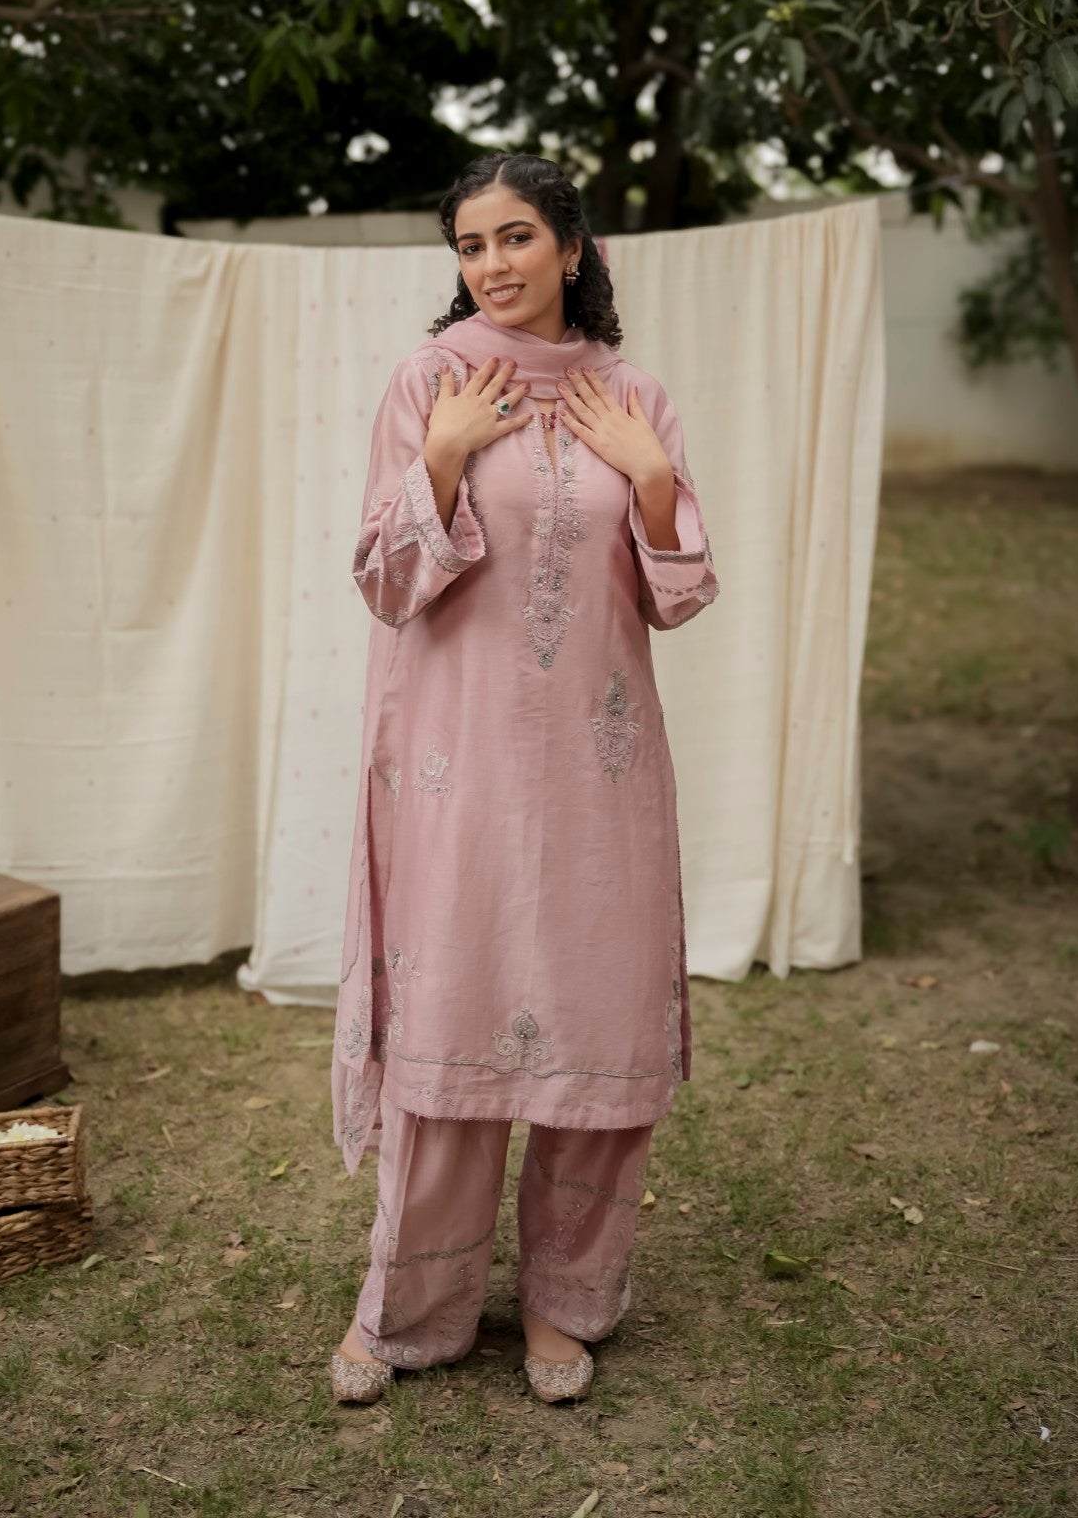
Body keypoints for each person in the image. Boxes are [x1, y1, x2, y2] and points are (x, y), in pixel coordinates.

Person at [328, 152, 719, 1405]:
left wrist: (648, 477)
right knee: (452, 1024)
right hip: (458, 768)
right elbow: (385, 583)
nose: (490, 265)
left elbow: (678, 596)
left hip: (599, 771)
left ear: (571, 247)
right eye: (468, 245)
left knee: (594, 1025)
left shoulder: (632, 395)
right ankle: (412, 1309)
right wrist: (441, 458)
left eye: (513, 238)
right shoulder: (429, 382)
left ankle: (564, 1305)